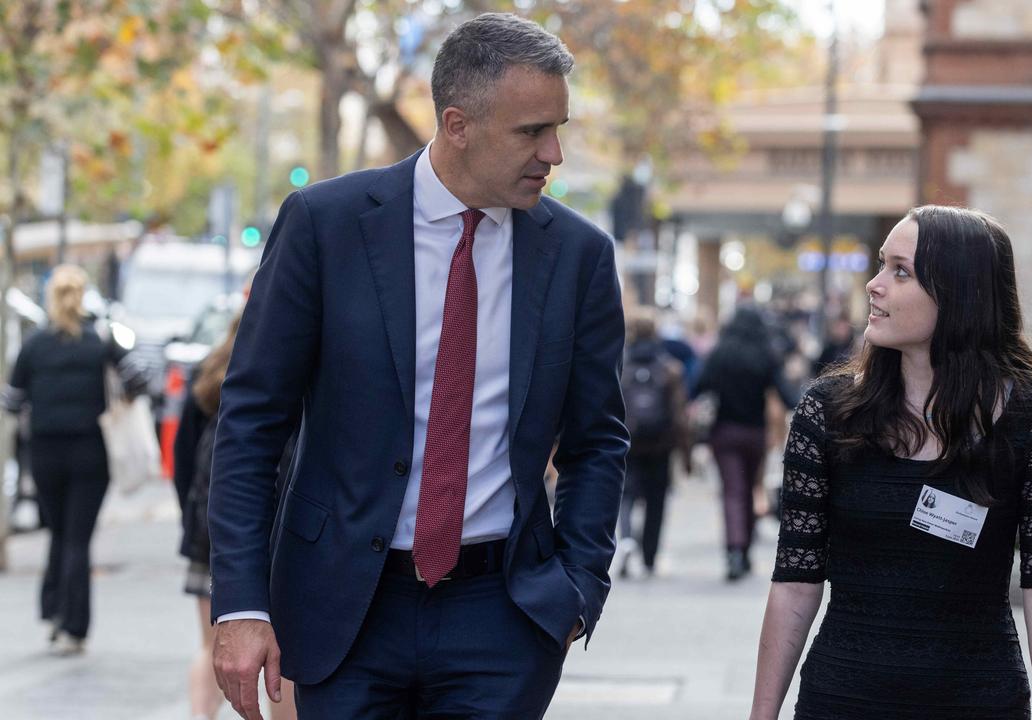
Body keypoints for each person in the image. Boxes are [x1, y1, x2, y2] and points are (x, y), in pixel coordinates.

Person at [208, 13, 628, 720]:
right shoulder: (325, 225)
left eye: (559, 128)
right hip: (343, 607)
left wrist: (577, 591)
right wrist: (241, 605)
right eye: (531, 131)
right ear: (457, 124)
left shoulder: (579, 256)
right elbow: (251, 423)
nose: (553, 152)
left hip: (502, 617)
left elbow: (598, 441)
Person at [750, 206, 1032, 720]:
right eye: (882, 266)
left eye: (900, 271)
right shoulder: (830, 411)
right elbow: (795, 581)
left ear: (958, 294)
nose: (874, 286)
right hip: (843, 699)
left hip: (979, 701)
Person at [1, 264, 147, 655]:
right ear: (83, 295)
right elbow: (139, 376)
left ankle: (52, 612)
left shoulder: (33, 345)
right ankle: (74, 627)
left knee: (59, 532)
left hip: (45, 453)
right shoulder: (101, 338)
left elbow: (12, 401)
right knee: (79, 537)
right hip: (90, 452)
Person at [173, 311, 297, 720]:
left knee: (210, 647)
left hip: (209, 531)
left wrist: (189, 519)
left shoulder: (208, 374)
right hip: (272, 530)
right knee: (288, 659)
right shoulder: (284, 374)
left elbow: (183, 458)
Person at [692, 305, 798, 581]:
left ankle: (735, 550)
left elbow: (698, 386)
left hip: (724, 432)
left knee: (732, 491)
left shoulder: (721, 353)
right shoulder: (766, 355)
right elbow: (788, 396)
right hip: (755, 434)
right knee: (750, 487)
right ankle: (744, 549)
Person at [617, 308, 691, 578]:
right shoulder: (670, 368)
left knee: (625, 494)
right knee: (656, 501)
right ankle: (649, 556)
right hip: (661, 444)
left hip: (627, 441)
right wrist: (686, 456)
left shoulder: (620, 365)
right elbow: (679, 414)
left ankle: (625, 539)